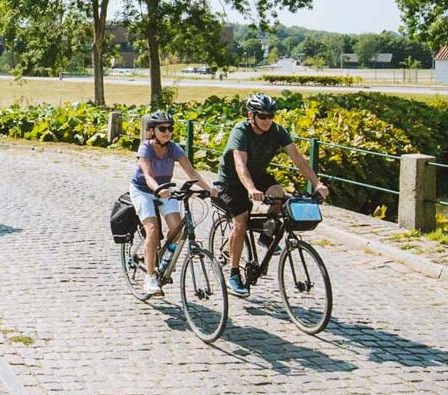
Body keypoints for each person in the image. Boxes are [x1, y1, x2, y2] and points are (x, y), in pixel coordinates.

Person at [218, 94, 329, 297]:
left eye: (271, 116)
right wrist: (251, 189)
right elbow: (240, 164)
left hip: (258, 175)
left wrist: (317, 183)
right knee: (241, 222)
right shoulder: (241, 131)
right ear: (251, 115)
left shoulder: (277, 131)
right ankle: (234, 274)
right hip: (231, 181)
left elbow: (298, 158)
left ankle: (266, 236)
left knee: (280, 196)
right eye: (263, 116)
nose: (268, 120)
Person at [130, 110, 218, 298]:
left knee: (177, 230)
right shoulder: (146, 148)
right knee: (152, 229)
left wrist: (209, 189)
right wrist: (158, 189)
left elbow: (192, 173)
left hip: (164, 190)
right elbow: (148, 176)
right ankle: (150, 276)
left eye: (170, 128)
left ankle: (164, 259)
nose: (167, 132)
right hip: (143, 190)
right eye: (163, 128)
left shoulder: (173, 148)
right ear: (152, 131)